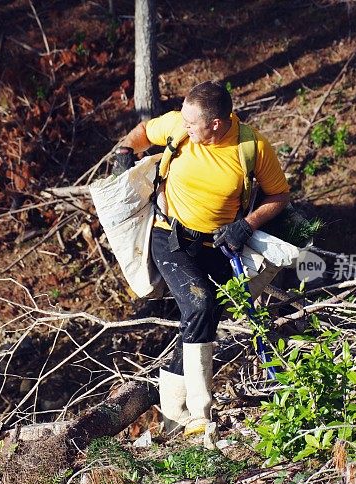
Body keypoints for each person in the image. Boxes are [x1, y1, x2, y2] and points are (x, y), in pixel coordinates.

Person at [113, 81, 290, 438]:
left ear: (216, 124)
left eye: (194, 124)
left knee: (204, 316)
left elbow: (279, 196)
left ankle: (171, 417)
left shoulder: (251, 147)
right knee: (199, 304)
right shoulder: (180, 125)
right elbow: (144, 132)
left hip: (220, 246)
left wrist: (246, 225)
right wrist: (123, 151)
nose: (186, 128)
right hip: (170, 236)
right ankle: (199, 414)